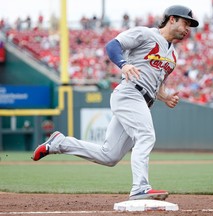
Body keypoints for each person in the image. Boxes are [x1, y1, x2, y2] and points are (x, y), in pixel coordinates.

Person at [32, 5, 199, 200]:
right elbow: (112, 45)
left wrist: (166, 96)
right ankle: (140, 187)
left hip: (142, 101)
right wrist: (124, 64)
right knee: (146, 135)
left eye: (190, 25)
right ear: (172, 19)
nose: (188, 28)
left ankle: (60, 143)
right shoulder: (146, 34)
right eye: (185, 22)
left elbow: (157, 85)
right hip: (129, 94)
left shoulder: (172, 56)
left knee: (109, 155)